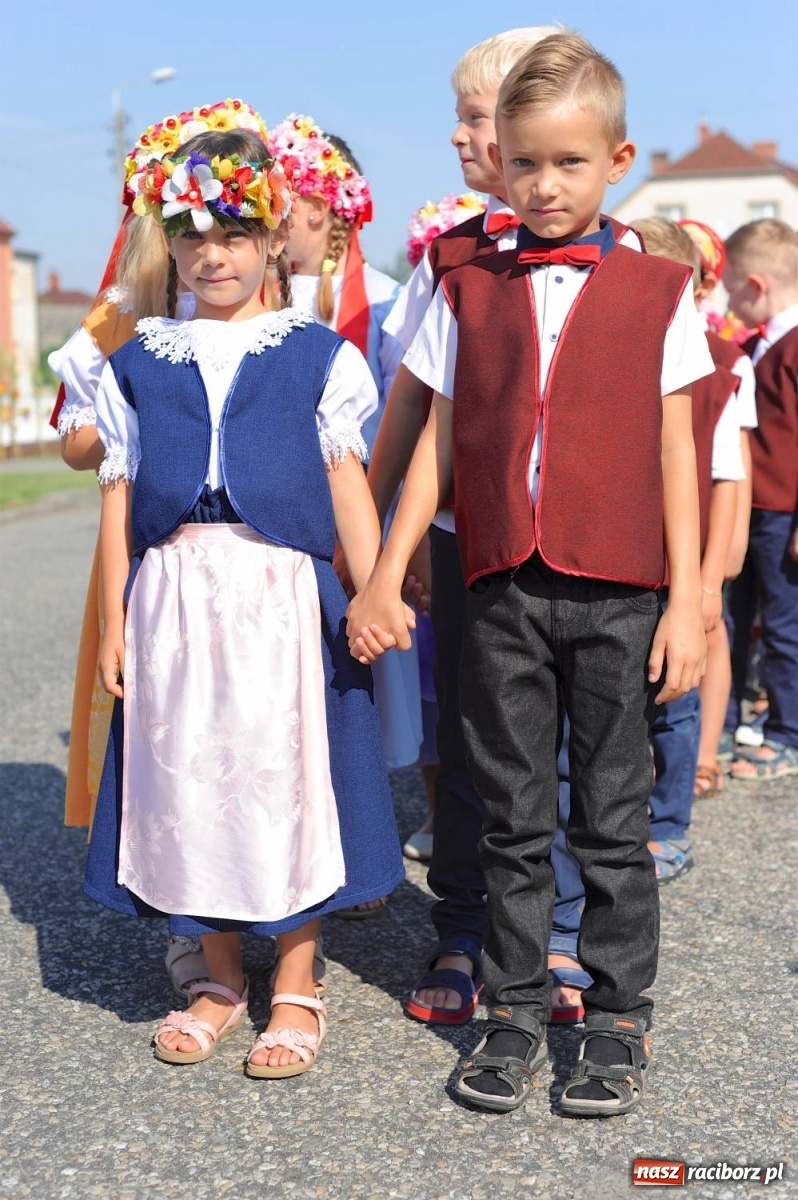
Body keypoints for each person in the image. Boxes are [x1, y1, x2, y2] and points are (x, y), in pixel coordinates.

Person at [347, 32, 712, 1116]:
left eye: (570, 163)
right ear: (497, 162)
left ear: (618, 160)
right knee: (508, 811)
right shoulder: (470, 283)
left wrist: (688, 601)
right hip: (499, 585)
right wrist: (387, 567)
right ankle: (509, 1009)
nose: (546, 185)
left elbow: (676, 454)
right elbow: (438, 442)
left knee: (609, 812)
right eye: (525, 163)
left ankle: (613, 1017)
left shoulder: (660, 290)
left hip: (618, 591)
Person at [87, 126, 404, 1078]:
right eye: (191, 234)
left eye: (232, 232)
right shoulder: (139, 358)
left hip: (278, 594)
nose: (209, 253)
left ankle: (298, 982)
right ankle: (217, 980)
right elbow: (114, 502)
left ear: (272, 239)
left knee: (288, 781)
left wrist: (374, 585)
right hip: (175, 592)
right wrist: (114, 626)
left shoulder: (317, 356)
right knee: (189, 781)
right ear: (171, 244)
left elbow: (348, 481)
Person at [373, 24, 575, 1027]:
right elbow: (409, 414)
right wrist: (383, 544)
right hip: (464, 538)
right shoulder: (448, 261)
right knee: (465, 738)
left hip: (582, 544)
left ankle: (559, 936)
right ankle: (462, 929)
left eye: (471, 115)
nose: (457, 135)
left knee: (569, 743)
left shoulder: (615, 262)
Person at [49, 100, 270, 997]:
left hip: (251, 552)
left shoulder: (259, 296)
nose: (207, 241)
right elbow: (76, 442)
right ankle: (189, 921)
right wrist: (127, 418)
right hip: (155, 543)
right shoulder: (124, 317)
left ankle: (278, 891)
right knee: (165, 731)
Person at [267, 114, 424, 908]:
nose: (278, 214)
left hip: (359, 518)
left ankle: (345, 850)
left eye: (292, 199)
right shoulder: (239, 298)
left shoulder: (388, 303)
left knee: (346, 700)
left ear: (330, 209)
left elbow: (402, 418)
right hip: (276, 531)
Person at [628, 219, 744, 883]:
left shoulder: (724, 369)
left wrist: (707, 583)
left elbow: (728, 479)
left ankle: (668, 825)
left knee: (676, 703)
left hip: (681, 564)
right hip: (621, 562)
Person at [678, 219, 758, 793]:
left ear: (705, 286)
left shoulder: (728, 360)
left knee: (715, 632)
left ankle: (705, 752)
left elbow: (738, 461)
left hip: (706, 520)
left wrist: (731, 546)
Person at [721, 219, 798, 781]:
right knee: (734, 615)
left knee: (783, 624)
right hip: (750, 512)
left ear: (755, 285)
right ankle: (725, 723)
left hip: (784, 513)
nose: (728, 301)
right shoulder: (753, 345)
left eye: (729, 290)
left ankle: (787, 734)